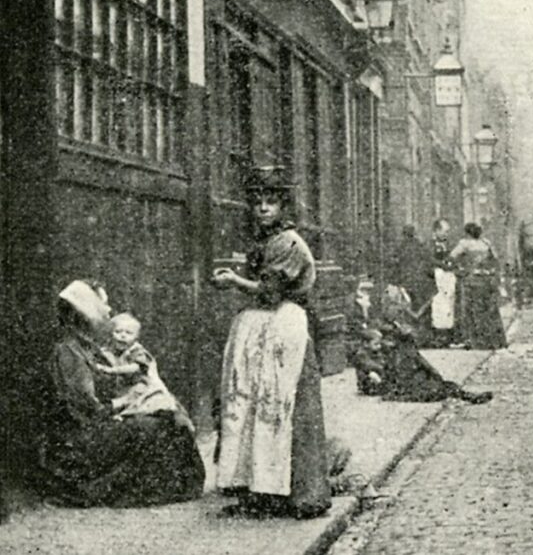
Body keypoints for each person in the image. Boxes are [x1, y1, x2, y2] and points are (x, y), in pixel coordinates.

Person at [210, 166, 331, 519]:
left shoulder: (289, 242)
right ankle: (258, 490)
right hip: (263, 329)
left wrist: (234, 280)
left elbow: (271, 290)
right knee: (252, 407)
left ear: (284, 208)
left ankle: (297, 494)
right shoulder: (266, 240)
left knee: (282, 407)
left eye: (271, 203)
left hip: (284, 328)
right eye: (258, 203)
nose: (263, 209)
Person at [38, 280, 204, 507]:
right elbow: (82, 407)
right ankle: (95, 490)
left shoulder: (89, 346)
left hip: (95, 424)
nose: (108, 311)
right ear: (85, 310)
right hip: (77, 439)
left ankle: (172, 488)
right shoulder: (69, 351)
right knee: (151, 426)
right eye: (102, 304)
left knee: (170, 417)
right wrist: (125, 401)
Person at [348, 280, 492, 404]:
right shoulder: (377, 330)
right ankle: (463, 395)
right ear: (386, 307)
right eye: (394, 307)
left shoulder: (393, 327)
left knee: (443, 385)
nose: (398, 312)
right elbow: (377, 365)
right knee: (434, 390)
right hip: (391, 381)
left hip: (401, 374)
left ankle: (467, 396)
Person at [96, 312, 194, 432]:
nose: (122, 336)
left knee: (141, 398)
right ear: (111, 334)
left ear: (136, 337)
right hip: (122, 386)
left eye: (128, 333)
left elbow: (135, 368)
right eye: (118, 332)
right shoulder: (107, 350)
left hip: (140, 384)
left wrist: (112, 371)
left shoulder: (137, 351)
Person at [450, 223, 508, 350]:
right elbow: (495, 259)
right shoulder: (486, 243)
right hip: (487, 280)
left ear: (467, 233)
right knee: (490, 310)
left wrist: (460, 269)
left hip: (472, 280)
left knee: (473, 311)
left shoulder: (464, 244)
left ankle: (477, 341)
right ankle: (495, 341)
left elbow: (452, 257)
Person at [430, 219, 458, 347]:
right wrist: (442, 264)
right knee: (439, 304)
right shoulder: (431, 244)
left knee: (449, 304)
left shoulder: (449, 244)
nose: (447, 234)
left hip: (449, 275)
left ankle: (449, 334)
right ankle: (439, 335)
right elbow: (430, 259)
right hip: (438, 275)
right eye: (444, 231)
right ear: (437, 230)